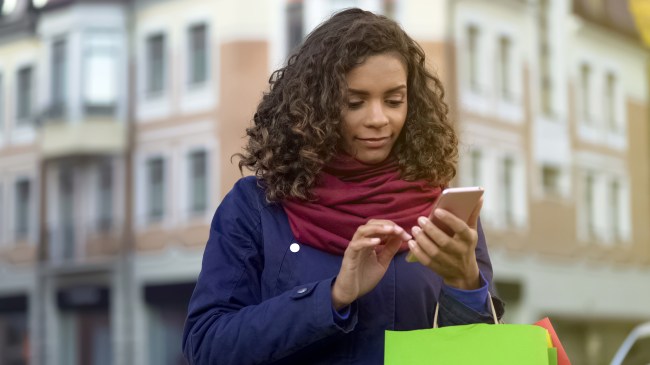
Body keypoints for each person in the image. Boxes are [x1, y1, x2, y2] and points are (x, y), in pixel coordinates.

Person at [183, 8, 504, 365]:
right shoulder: (257, 206)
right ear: (315, 106)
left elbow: (476, 355)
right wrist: (334, 295)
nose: (379, 119)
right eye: (355, 102)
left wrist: (465, 282)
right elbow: (207, 345)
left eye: (395, 100)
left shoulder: (441, 210)